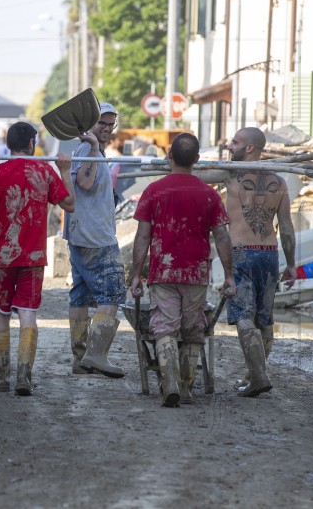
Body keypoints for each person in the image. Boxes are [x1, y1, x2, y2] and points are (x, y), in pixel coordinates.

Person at [0, 122, 76, 395]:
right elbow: (70, 203)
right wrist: (64, 170)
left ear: (8, 144)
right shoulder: (45, 171)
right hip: (33, 257)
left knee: (1, 313)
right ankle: (24, 377)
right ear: (31, 143)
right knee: (28, 315)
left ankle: (1, 376)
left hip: (2, 257)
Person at [129, 132, 236, 407]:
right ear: (197, 160)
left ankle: (170, 384)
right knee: (192, 330)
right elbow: (223, 237)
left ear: (169, 156)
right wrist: (229, 276)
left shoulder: (154, 190)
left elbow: (142, 236)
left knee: (164, 328)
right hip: (196, 273)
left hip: (163, 271)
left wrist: (135, 274)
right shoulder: (209, 194)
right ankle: (186, 389)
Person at [198, 127, 296, 397]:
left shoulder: (231, 174)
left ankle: (259, 376)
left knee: (243, 316)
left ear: (250, 148)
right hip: (268, 253)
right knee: (264, 319)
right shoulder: (279, 180)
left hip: (241, 252)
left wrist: (179, 165)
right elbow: (286, 228)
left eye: (235, 142)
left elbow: (194, 175)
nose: (230, 146)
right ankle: (255, 373)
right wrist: (290, 264)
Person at [63, 102, 128, 378]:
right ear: (90, 123)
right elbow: (85, 184)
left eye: (110, 124)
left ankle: (80, 359)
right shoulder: (86, 150)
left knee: (79, 295)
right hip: (95, 237)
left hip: (81, 234)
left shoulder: (95, 150)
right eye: (101, 122)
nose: (106, 128)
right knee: (112, 292)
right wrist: (91, 148)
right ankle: (96, 355)